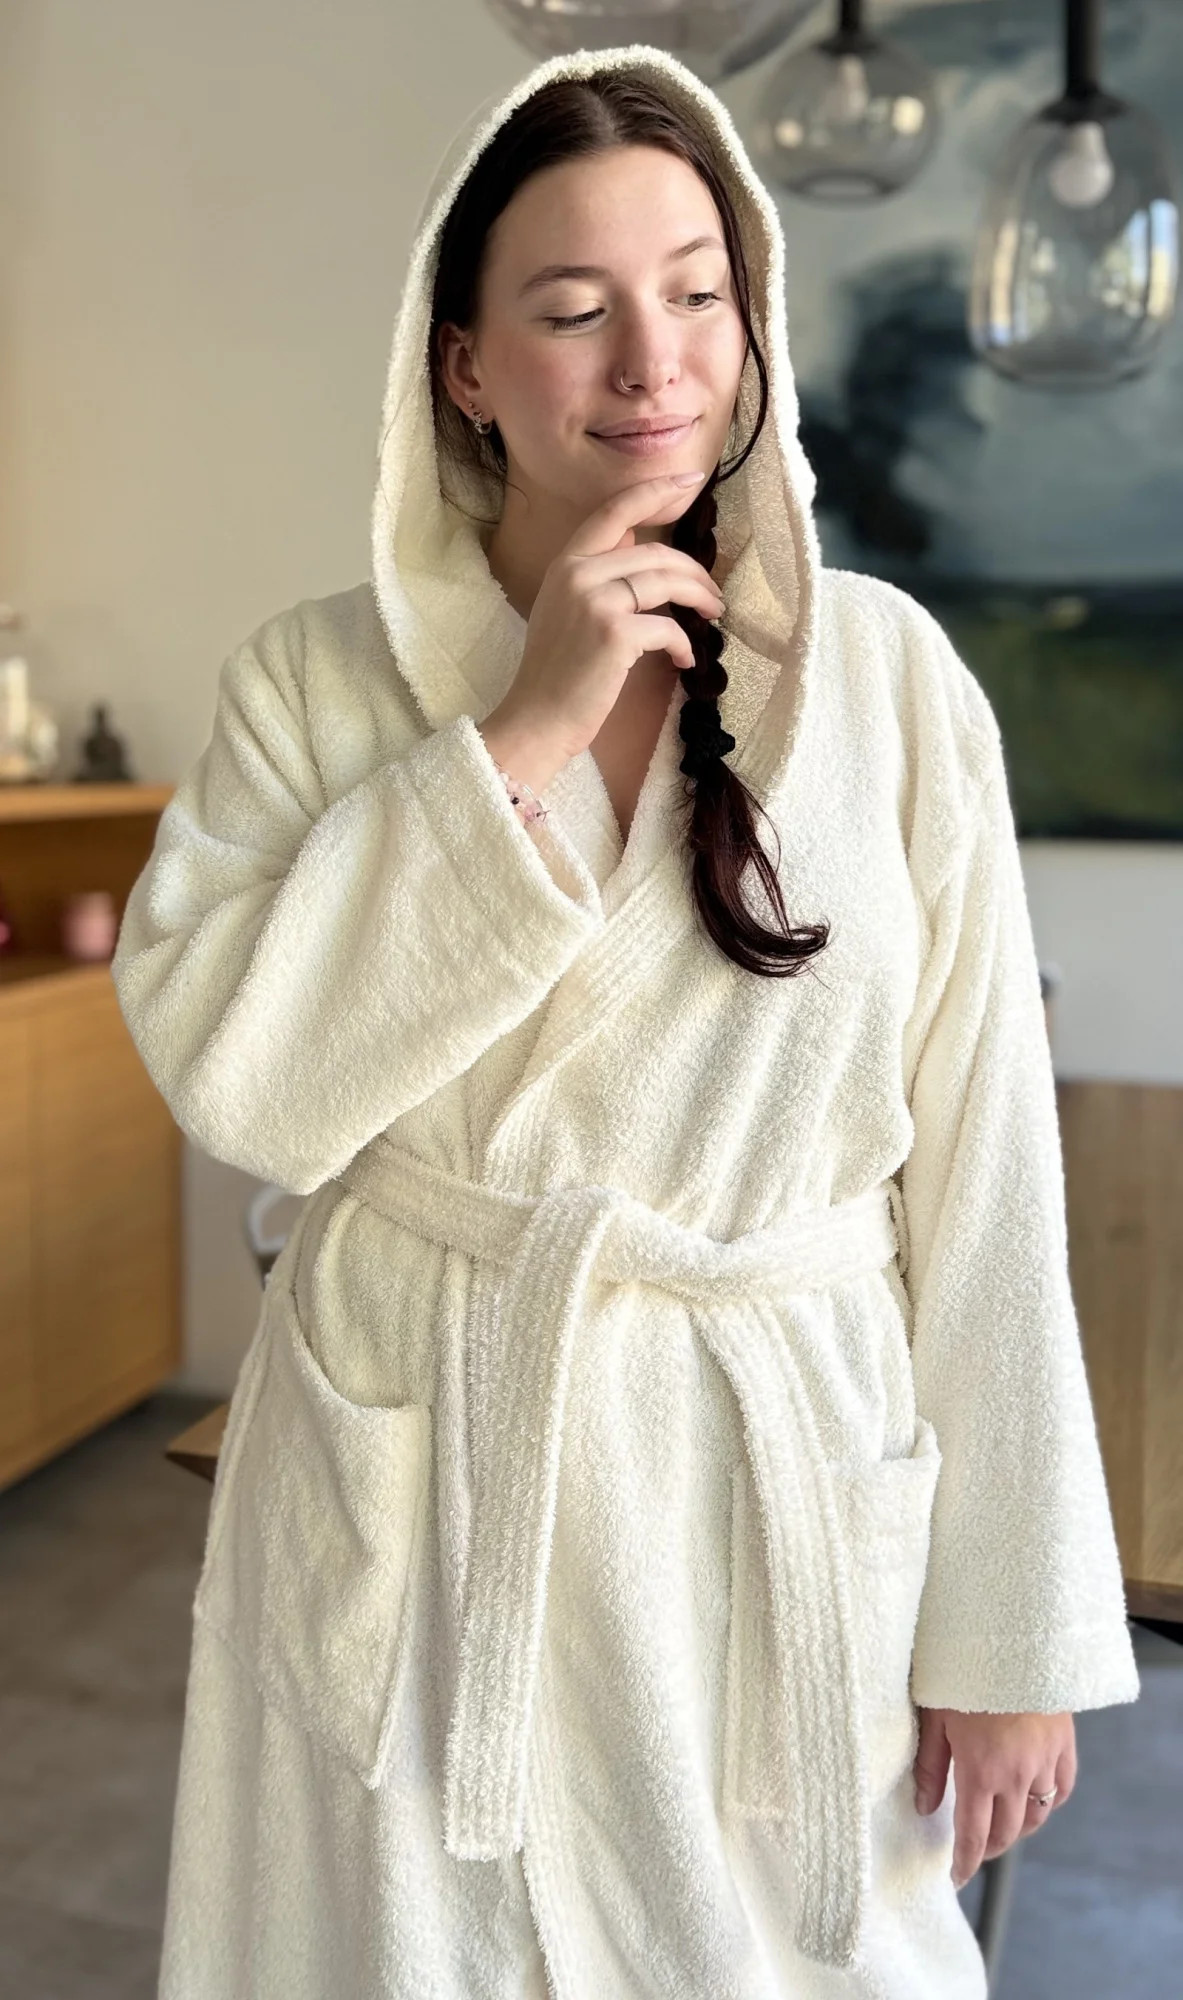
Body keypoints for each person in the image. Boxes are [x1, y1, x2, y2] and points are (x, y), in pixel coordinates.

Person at [112, 43, 1140, 2000]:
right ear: (464, 367)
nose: (652, 360)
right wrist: (521, 732)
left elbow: (989, 1172)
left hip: (764, 1486)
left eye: (696, 293)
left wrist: (1008, 1631)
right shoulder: (314, 686)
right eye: (575, 309)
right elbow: (248, 1088)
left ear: (751, 323)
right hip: (427, 1494)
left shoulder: (891, 682)